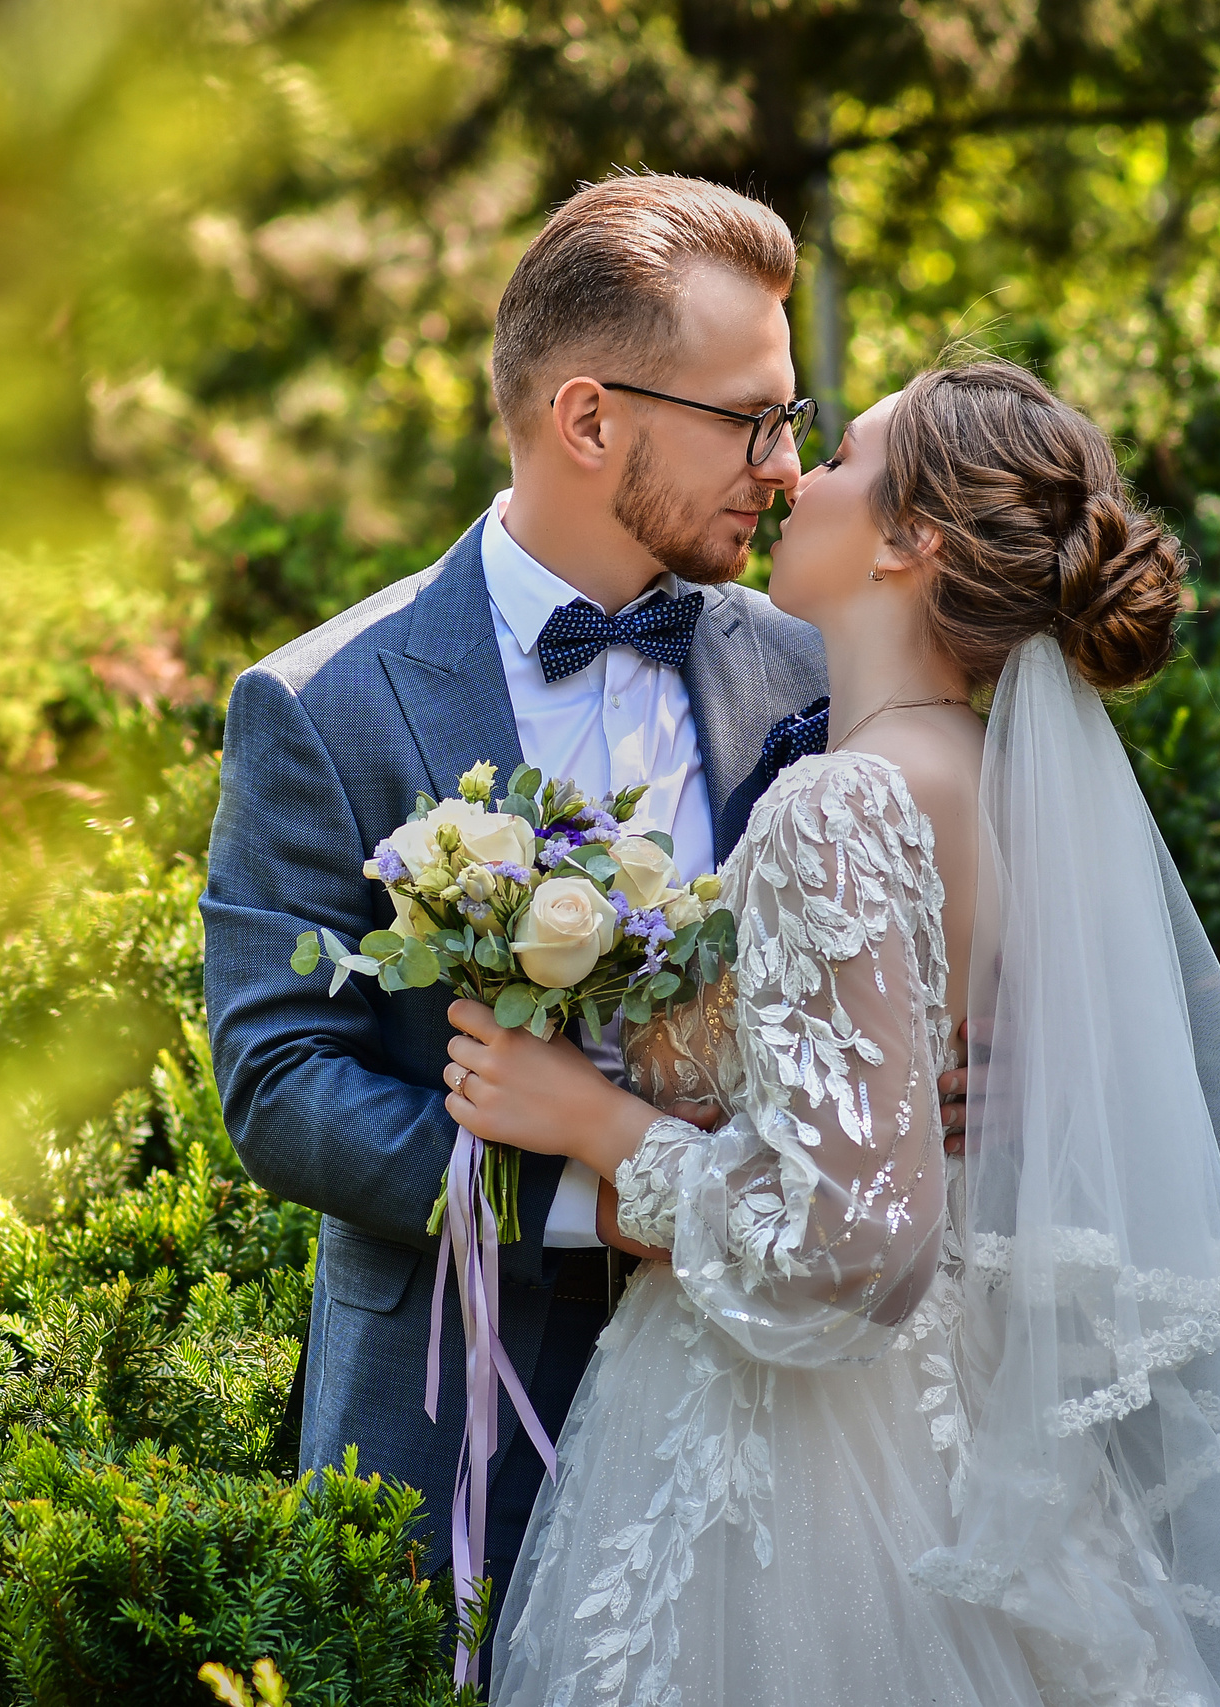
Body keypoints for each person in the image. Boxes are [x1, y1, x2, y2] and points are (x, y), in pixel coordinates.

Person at [447, 359, 1220, 1707]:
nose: (794, 475)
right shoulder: (983, 778)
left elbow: (856, 1244)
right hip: (948, 1422)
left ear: (913, 538)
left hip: (807, 1459)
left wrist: (591, 1120)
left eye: (843, 454)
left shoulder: (842, 807)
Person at [200, 171, 843, 1637]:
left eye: (788, 420)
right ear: (590, 418)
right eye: (749, 420)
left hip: (774, 1396)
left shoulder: (810, 670)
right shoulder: (324, 706)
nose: (784, 468)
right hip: (451, 1419)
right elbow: (280, 1076)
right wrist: (580, 1195)